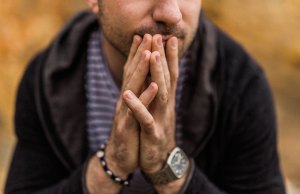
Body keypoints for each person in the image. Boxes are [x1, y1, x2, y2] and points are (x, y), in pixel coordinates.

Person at [5, 0, 286, 193]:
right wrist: (110, 165)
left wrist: (167, 165)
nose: (171, 13)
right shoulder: (52, 75)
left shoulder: (238, 82)